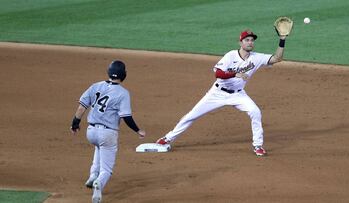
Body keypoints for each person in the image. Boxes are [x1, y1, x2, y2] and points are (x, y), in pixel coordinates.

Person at [156, 29, 288, 156]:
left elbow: (277, 58)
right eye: (247, 40)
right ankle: (168, 138)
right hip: (217, 94)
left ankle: (258, 146)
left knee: (255, 112)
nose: (250, 42)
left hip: (238, 94)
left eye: (252, 40)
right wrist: (235, 74)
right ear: (240, 42)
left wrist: (282, 40)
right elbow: (218, 73)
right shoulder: (230, 55)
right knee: (192, 115)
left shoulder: (256, 57)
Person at [70, 60, 146, 203]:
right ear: (124, 75)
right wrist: (138, 130)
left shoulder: (95, 86)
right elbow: (126, 117)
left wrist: (75, 123)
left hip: (91, 132)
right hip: (108, 133)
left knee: (99, 148)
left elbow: (81, 108)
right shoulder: (123, 93)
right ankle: (99, 183)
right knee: (107, 169)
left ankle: (93, 175)